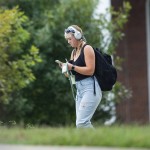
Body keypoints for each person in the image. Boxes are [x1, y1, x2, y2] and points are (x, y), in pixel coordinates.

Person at [63, 25, 102, 128]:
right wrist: (65, 69)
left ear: (77, 35)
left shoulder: (87, 48)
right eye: (67, 39)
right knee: (80, 124)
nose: (68, 42)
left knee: (81, 123)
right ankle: (91, 143)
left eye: (70, 39)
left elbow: (90, 70)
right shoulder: (74, 52)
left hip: (90, 88)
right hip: (79, 90)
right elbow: (71, 75)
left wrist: (73, 67)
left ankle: (101, 141)